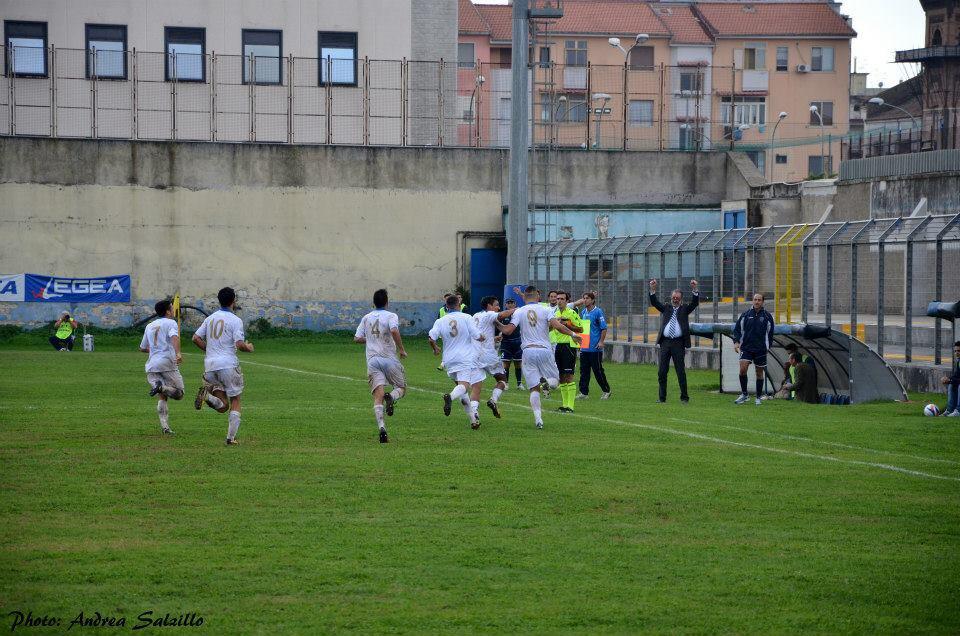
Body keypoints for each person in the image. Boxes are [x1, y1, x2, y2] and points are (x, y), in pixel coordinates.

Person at [498, 286, 578, 429]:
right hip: (544, 350)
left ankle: (538, 420)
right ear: (537, 297)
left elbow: (508, 330)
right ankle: (546, 381)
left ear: (524, 297)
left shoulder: (519, 311)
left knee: (534, 389)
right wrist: (573, 334)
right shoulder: (546, 309)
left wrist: (495, 322)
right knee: (555, 382)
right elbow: (557, 326)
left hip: (528, 351)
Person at [192, 287, 255, 445]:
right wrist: (248, 347)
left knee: (223, 406)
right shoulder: (235, 320)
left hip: (210, 366)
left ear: (219, 301)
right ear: (234, 301)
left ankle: (208, 397)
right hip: (228, 365)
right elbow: (239, 344)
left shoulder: (210, 319)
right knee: (235, 400)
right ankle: (230, 438)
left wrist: (210, 350)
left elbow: (195, 338)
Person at [354, 288, 408, 443]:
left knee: (378, 396)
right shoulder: (391, 315)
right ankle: (392, 396)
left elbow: (357, 338)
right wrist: (402, 349)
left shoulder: (366, 317)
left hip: (372, 361)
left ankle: (382, 428)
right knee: (401, 388)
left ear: (373, 303)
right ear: (387, 302)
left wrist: (371, 340)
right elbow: (394, 330)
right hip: (389, 358)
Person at [429, 295, 485, 429]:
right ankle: (450, 397)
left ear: (447, 307)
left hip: (449, 359)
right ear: (459, 305)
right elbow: (477, 335)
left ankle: (473, 420)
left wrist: (435, 348)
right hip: (464, 358)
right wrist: (482, 337)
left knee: (462, 391)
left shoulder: (440, 321)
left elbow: (431, 337)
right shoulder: (467, 317)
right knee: (464, 386)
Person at [650, 278, 699, 403]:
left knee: (680, 371)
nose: (675, 299)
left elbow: (695, 303)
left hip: (678, 343)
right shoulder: (666, 308)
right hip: (665, 343)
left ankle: (684, 397)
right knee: (662, 371)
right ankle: (662, 398)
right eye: (673, 297)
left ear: (681, 299)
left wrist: (694, 289)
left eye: (677, 298)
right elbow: (655, 303)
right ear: (671, 297)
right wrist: (653, 289)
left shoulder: (685, 309)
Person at [139, 300, 184, 435]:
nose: (173, 311)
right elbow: (174, 337)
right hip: (167, 362)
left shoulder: (150, 325)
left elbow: (142, 348)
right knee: (179, 394)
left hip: (152, 365)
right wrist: (178, 353)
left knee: (162, 396)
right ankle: (161, 387)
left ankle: (165, 427)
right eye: (172, 308)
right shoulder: (171, 323)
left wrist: (155, 350)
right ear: (168, 311)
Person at [473, 296, 517, 419]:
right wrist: (518, 309)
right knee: (502, 380)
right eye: (496, 305)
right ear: (489, 306)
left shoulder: (476, 316)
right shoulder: (489, 314)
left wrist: (492, 339)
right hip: (488, 355)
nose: (498, 307)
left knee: (476, 386)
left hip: (474, 355)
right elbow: (502, 315)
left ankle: (474, 412)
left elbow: (479, 334)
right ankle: (493, 399)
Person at [732, 293, 775, 406]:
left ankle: (758, 397)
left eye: (759, 300)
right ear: (753, 301)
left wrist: (768, 347)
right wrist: (736, 342)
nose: (757, 302)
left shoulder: (767, 316)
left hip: (760, 349)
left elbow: (770, 333)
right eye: (755, 299)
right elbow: (737, 329)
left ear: (763, 302)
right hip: (746, 347)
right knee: (742, 369)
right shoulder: (745, 315)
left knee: (759, 373)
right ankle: (744, 394)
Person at [552, 291, 583, 412]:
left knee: (569, 376)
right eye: (558, 299)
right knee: (561, 377)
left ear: (567, 301)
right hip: (558, 346)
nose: (559, 301)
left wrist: (567, 324)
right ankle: (564, 405)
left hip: (569, 346)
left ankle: (570, 406)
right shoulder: (555, 313)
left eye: (562, 299)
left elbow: (581, 328)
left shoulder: (571, 313)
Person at [577, 291, 611, 400]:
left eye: (587, 298)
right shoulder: (583, 312)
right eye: (584, 298)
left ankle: (606, 390)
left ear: (592, 300)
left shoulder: (598, 312)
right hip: (584, 347)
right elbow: (582, 329)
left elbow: (604, 328)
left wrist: (601, 342)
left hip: (595, 348)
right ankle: (584, 393)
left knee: (598, 370)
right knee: (584, 371)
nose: (585, 300)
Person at [499, 298, 524, 390]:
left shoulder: (519, 314)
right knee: (506, 364)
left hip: (518, 342)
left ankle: (519, 384)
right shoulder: (502, 315)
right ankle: (506, 383)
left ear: (515, 304)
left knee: (518, 363)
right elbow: (498, 327)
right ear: (505, 305)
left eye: (512, 303)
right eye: (508, 303)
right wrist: (500, 334)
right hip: (506, 343)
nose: (510, 304)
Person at [941, 341, 960, 417]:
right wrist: (948, 379)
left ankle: (958, 411)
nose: (956, 353)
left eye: (959, 351)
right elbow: (956, 376)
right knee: (952, 384)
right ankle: (950, 410)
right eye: (955, 351)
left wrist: (950, 380)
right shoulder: (959, 361)